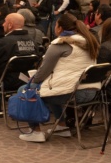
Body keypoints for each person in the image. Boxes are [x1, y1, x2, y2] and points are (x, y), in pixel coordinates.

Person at [20, 13, 100, 142]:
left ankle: (36, 132)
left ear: (60, 28)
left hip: (71, 93)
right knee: (49, 88)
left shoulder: (59, 45)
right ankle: (62, 127)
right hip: (90, 91)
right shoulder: (88, 42)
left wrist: (32, 81)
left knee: (25, 90)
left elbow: (43, 72)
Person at [0, 13, 38, 94]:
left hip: (6, 82)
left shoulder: (2, 43)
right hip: (26, 80)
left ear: (10, 25)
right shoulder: (33, 42)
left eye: (5, 21)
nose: (3, 24)